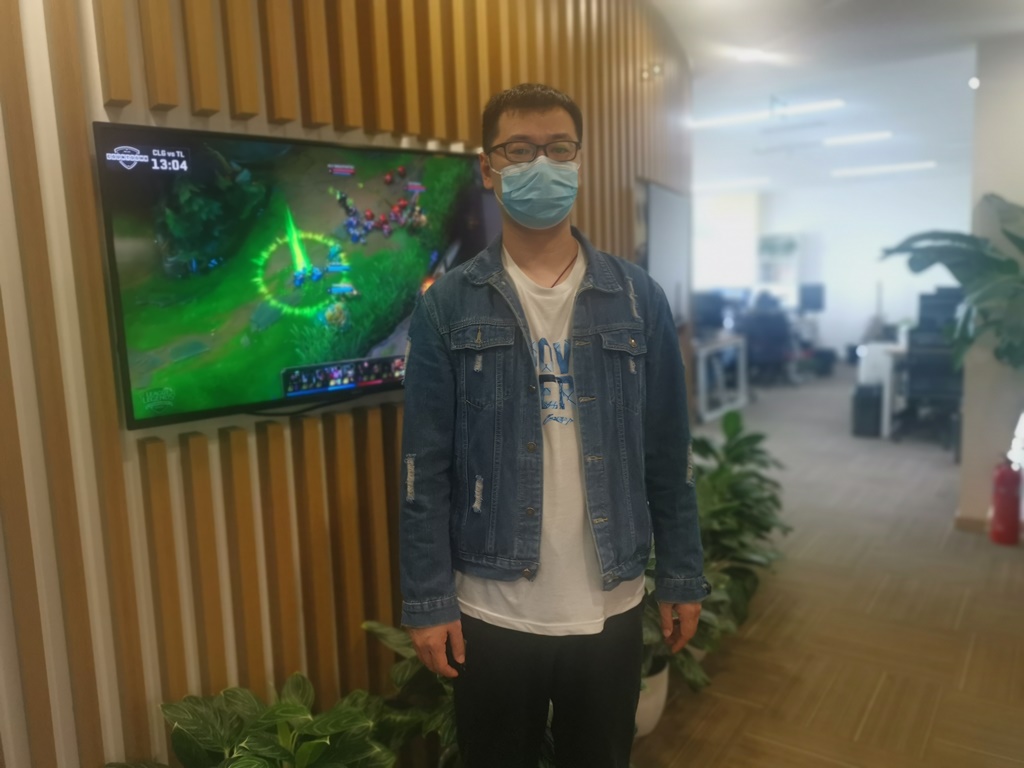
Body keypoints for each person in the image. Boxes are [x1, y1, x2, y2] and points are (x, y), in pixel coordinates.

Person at [399, 83, 709, 768]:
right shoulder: (448, 304)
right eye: (520, 150)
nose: (542, 163)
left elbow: (669, 451)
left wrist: (682, 574)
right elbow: (425, 468)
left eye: (558, 148)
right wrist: (427, 600)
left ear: (579, 160)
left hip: (611, 601)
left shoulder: (638, 298)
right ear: (488, 168)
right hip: (491, 606)